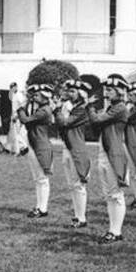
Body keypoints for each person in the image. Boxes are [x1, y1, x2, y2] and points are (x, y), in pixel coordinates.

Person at [89, 74, 132, 244]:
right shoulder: (112, 107)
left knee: (115, 194)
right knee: (108, 194)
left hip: (113, 153)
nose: (107, 93)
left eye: (111, 90)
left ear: (119, 91)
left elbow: (97, 119)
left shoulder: (120, 107)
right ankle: (112, 229)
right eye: (107, 89)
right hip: (105, 151)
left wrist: (90, 106)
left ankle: (116, 230)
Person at [52, 79, 93, 229]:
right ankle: (77, 216)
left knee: (78, 185)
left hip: (76, 149)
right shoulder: (71, 107)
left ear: (80, 93)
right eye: (69, 91)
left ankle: (81, 218)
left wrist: (57, 110)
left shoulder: (81, 109)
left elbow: (64, 123)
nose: (69, 93)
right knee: (72, 185)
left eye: (73, 91)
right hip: (68, 147)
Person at [18, 84, 57, 218]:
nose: (35, 97)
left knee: (42, 179)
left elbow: (25, 120)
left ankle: (42, 208)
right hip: (36, 144)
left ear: (45, 97)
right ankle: (39, 207)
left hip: (40, 145)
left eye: (37, 95)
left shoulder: (44, 110)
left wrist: (21, 108)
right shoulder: (41, 108)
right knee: (38, 179)